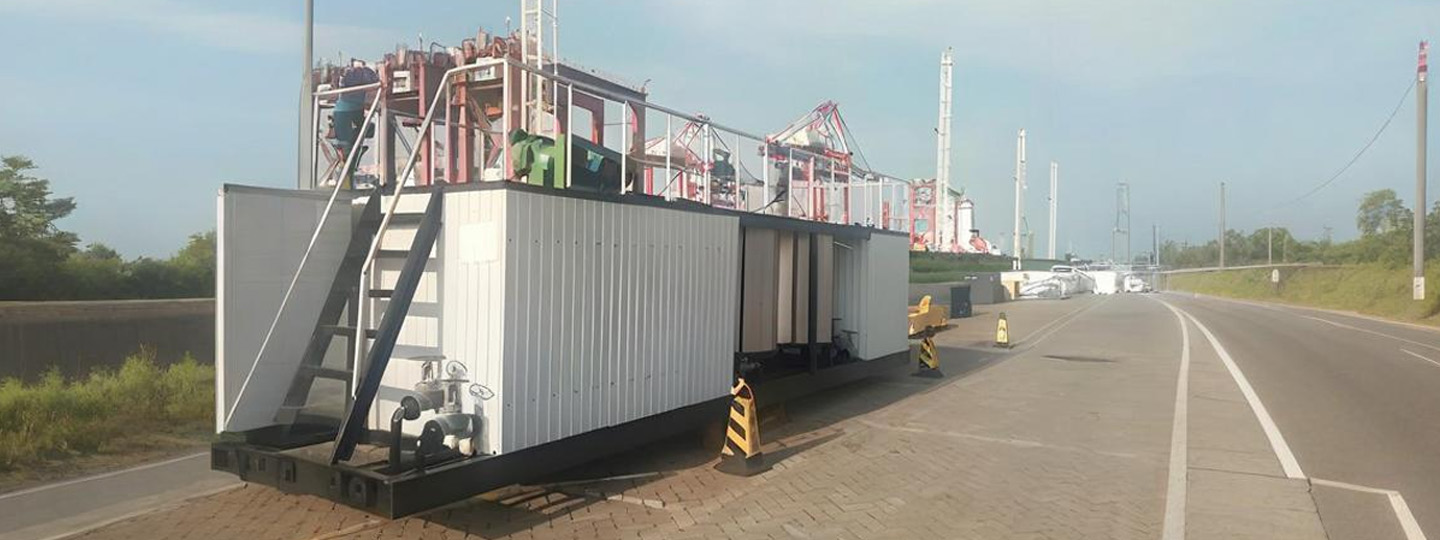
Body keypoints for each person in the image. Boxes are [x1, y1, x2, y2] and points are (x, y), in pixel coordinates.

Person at [333, 60, 379, 156]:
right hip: (350, 111)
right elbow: (373, 80)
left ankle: (351, 151)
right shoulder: (359, 74)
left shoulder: (348, 75)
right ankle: (351, 152)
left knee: (366, 130)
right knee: (370, 129)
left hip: (344, 111)